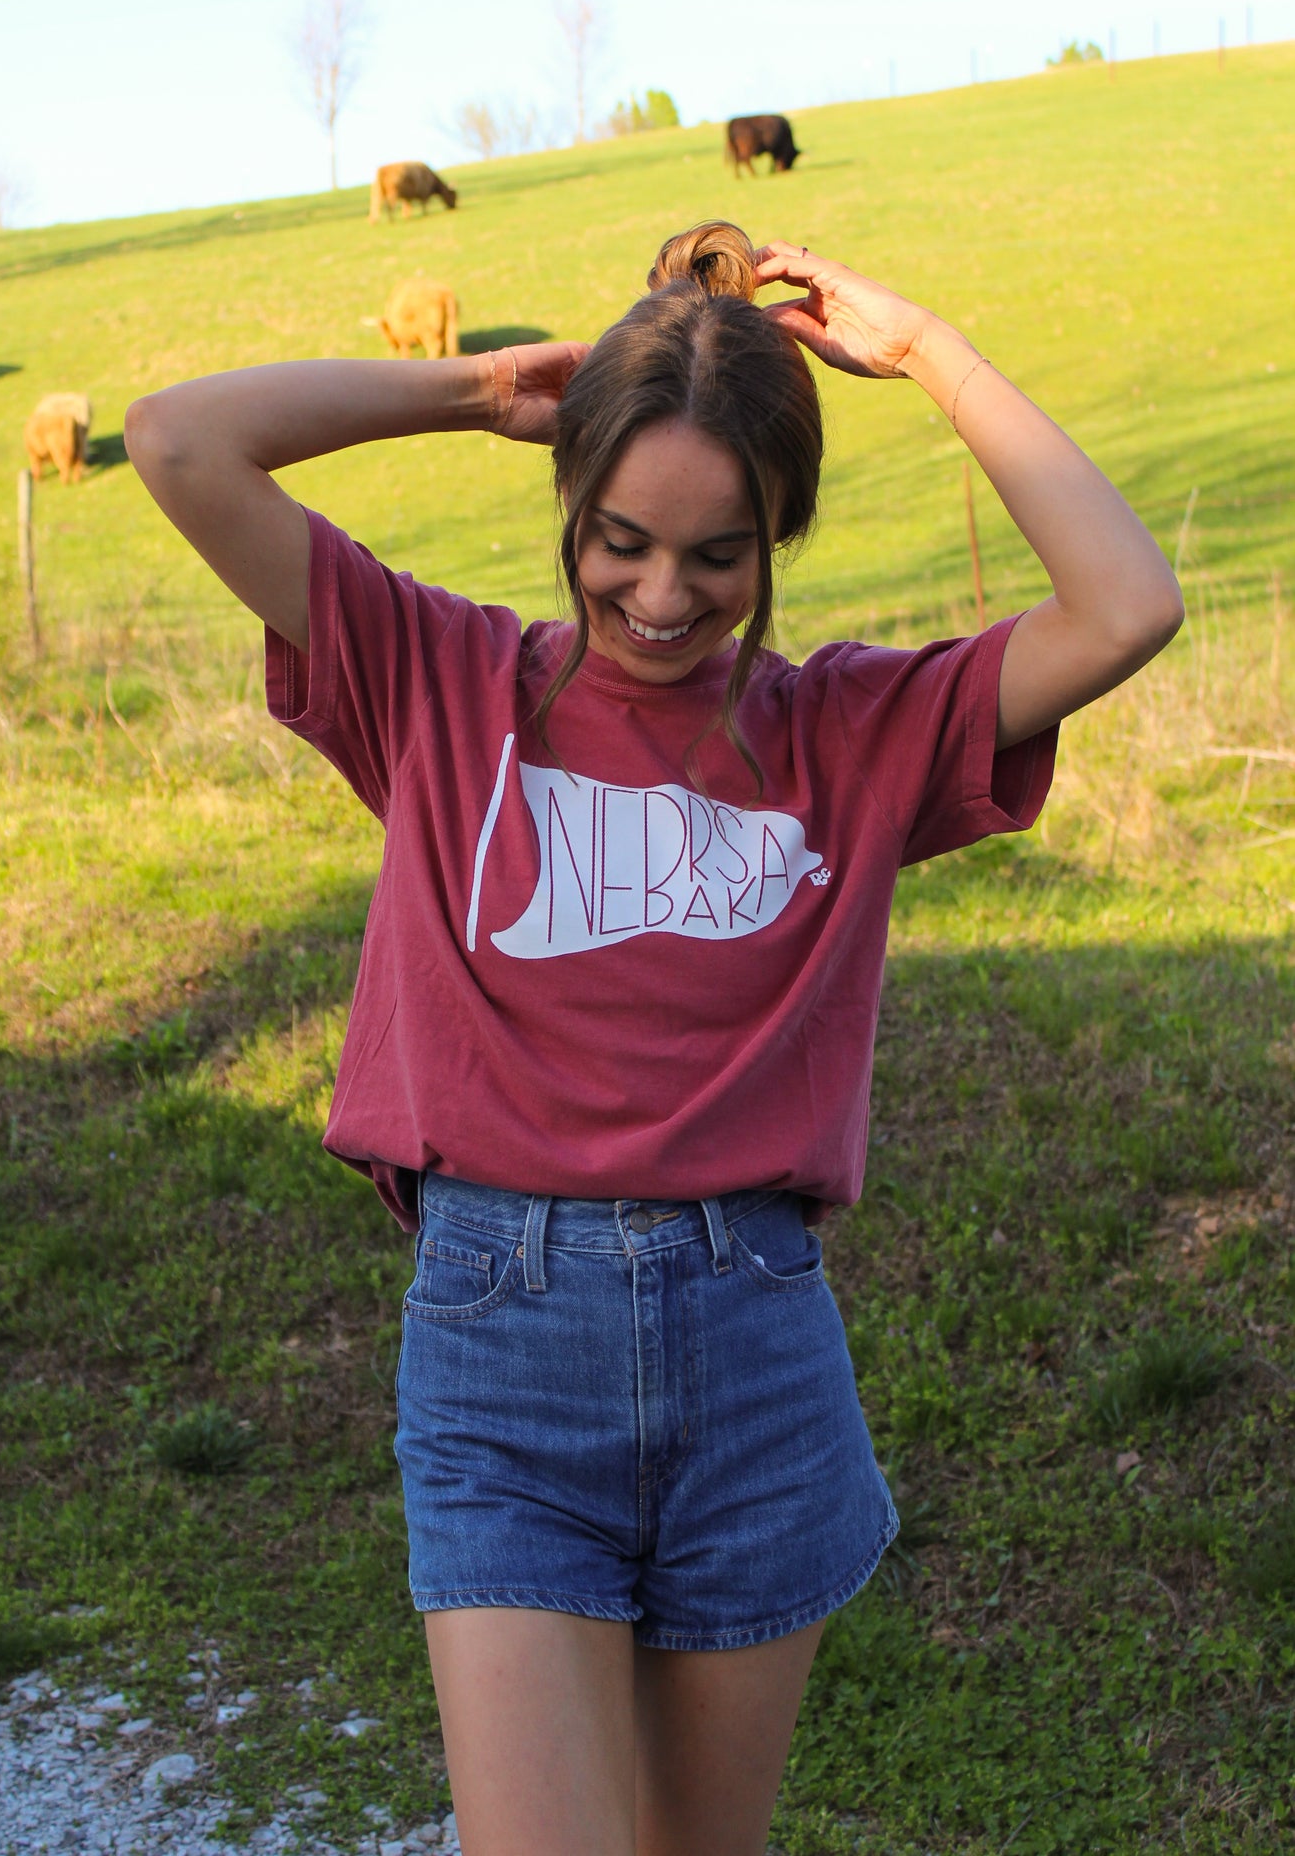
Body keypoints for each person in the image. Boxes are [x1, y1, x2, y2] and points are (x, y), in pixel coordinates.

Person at [125, 221, 1182, 1856]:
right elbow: (179, 438)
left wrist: (923, 354)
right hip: (499, 1340)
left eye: (719, 556)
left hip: (754, 1347)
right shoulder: (435, 678)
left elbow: (1124, 604)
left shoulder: (851, 731)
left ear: (778, 544)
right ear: (569, 508)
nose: (661, 598)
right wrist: (472, 385)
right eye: (619, 542)